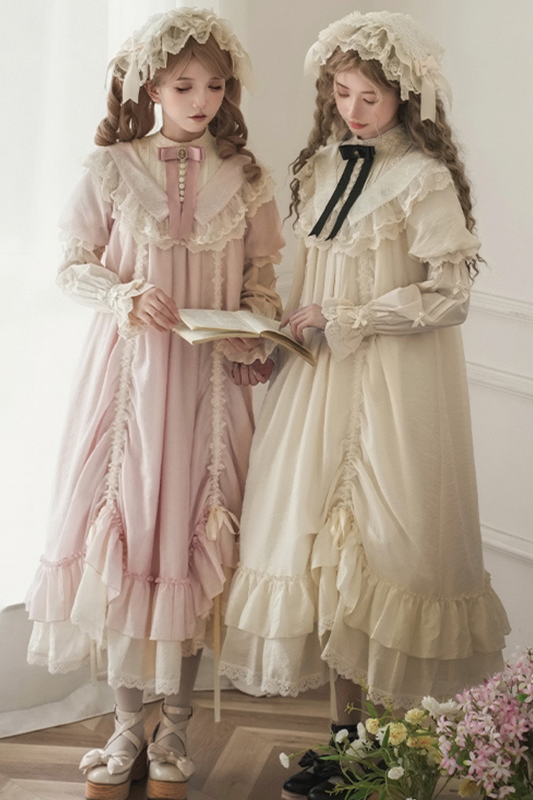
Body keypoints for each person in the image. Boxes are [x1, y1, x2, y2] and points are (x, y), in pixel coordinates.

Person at [218, 11, 510, 800]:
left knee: (388, 552)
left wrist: (350, 315)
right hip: (321, 384)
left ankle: (385, 747)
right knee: (323, 561)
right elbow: (309, 285)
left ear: (403, 96)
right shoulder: (319, 167)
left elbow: (448, 295)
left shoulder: (423, 178)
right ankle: (345, 741)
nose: (352, 109)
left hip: (393, 390)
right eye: (342, 93)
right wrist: (275, 342)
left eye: (369, 96)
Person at [25, 8, 283, 800]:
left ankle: (175, 725)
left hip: (211, 390)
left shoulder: (246, 177)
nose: (201, 100)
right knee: (129, 540)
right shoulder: (111, 169)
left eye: (214, 86)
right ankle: (124, 724)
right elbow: (72, 265)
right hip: (128, 386)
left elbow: (262, 284)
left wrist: (255, 333)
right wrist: (122, 294)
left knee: (194, 546)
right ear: (152, 88)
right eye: (183, 85)